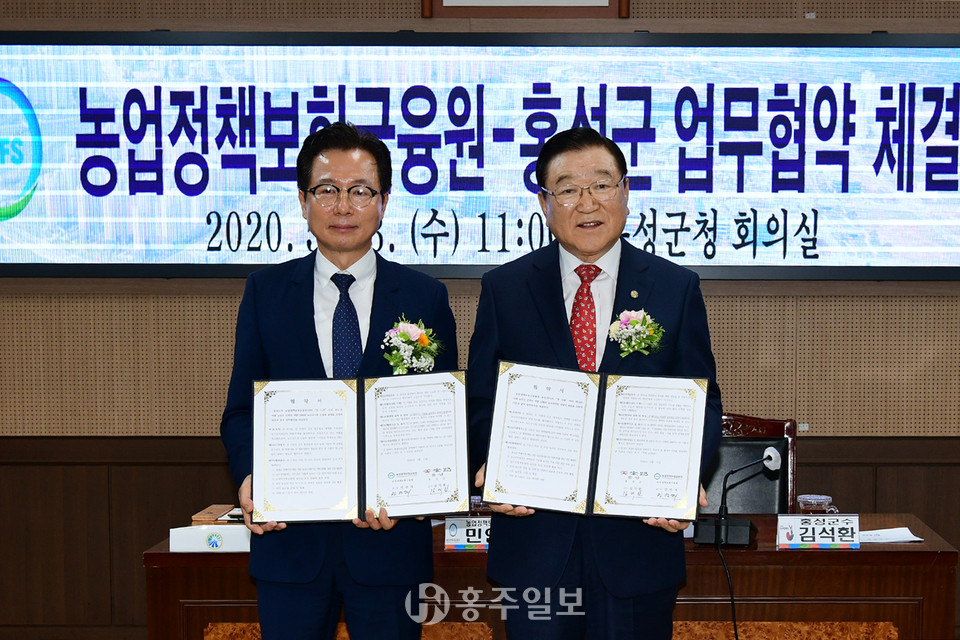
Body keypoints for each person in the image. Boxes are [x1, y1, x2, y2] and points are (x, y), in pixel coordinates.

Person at [467, 127, 722, 639]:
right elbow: (481, 400)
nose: (587, 202)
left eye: (602, 185)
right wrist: (489, 469)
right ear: (544, 203)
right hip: (535, 542)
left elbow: (703, 402)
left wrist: (682, 478)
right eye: (567, 189)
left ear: (625, 192)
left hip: (638, 544)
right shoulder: (505, 288)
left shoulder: (674, 288)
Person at [220, 121, 458, 639]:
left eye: (360, 191)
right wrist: (249, 479)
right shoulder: (265, 292)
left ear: (384, 201)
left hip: (389, 544)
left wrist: (417, 496)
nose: (343, 206)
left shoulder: (425, 297)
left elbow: (438, 418)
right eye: (327, 190)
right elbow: (241, 411)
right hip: (290, 545)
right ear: (303, 201)